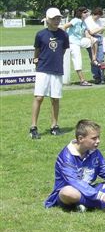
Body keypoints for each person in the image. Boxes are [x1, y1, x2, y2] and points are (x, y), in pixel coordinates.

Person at [44, 119, 105, 212]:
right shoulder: (66, 157)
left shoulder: (94, 152)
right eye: (94, 138)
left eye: (98, 137)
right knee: (67, 192)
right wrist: (101, 196)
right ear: (80, 139)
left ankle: (84, 205)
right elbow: (75, 182)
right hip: (74, 192)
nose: (98, 141)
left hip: (90, 189)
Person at [30, 7, 69, 139]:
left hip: (57, 70)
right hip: (43, 69)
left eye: (58, 18)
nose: (57, 21)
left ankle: (54, 125)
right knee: (39, 97)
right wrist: (38, 62)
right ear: (47, 20)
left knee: (55, 99)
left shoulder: (64, 35)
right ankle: (33, 127)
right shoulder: (40, 34)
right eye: (53, 18)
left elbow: (62, 51)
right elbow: (37, 51)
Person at [63, 6, 94, 86]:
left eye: (87, 12)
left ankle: (94, 59)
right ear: (80, 13)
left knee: (94, 41)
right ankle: (82, 80)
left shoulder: (84, 22)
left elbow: (87, 34)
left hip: (80, 41)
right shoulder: (75, 20)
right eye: (84, 12)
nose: (86, 13)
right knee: (78, 60)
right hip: (73, 43)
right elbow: (64, 26)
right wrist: (64, 38)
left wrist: (91, 38)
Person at [84, 7, 105, 84]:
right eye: (98, 16)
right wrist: (100, 28)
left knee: (101, 59)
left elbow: (101, 30)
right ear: (94, 14)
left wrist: (100, 29)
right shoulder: (88, 21)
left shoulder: (99, 21)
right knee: (94, 59)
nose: (99, 18)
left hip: (100, 38)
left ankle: (102, 76)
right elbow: (91, 32)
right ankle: (96, 77)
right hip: (92, 40)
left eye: (100, 16)